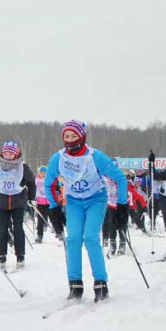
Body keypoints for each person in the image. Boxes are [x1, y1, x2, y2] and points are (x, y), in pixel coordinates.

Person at [43, 119, 129, 301]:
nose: (70, 140)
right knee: (73, 238)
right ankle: (75, 284)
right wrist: (53, 208)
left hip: (96, 199)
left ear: (82, 136)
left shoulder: (95, 156)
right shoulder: (58, 158)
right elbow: (49, 182)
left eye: (74, 136)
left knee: (90, 237)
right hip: (74, 201)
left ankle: (100, 282)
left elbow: (120, 179)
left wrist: (122, 206)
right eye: (66, 136)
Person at [0, 141, 36, 270]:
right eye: (5, 153)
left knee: (18, 229)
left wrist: (31, 198)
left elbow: (31, 182)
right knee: (2, 229)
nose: (8, 156)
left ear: (15, 154)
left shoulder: (23, 167)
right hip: (2, 202)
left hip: (18, 202)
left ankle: (20, 256)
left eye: (10, 153)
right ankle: (2, 257)